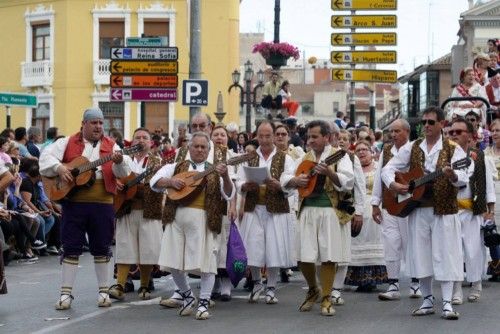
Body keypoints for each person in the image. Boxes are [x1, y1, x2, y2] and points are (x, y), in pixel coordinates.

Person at [39, 107, 131, 310]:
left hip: (103, 203)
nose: (98, 126)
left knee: (102, 247)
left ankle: (104, 292)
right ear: (84, 124)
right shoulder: (66, 142)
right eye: (94, 122)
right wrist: (60, 168)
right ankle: (65, 294)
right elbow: (45, 158)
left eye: (100, 123)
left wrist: (120, 161)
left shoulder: (112, 146)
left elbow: (123, 171)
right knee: (70, 247)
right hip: (74, 202)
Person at [382, 106, 468, 320]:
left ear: (441, 124)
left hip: (444, 209)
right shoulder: (412, 147)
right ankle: (427, 300)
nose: (426, 126)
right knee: (420, 255)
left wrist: (453, 175)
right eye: (423, 122)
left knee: (446, 254)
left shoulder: (453, 148)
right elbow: (388, 168)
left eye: (431, 122)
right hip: (418, 208)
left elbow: (466, 173)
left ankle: (447, 302)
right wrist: (393, 184)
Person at [150, 132, 234, 320]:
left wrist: (226, 176)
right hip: (176, 219)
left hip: (204, 221)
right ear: (189, 148)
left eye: (203, 147)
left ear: (209, 150)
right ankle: (187, 296)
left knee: (207, 264)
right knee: (173, 262)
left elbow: (228, 194)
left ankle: (203, 303)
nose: (199, 150)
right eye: (196, 146)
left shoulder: (214, 170)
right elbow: (154, 182)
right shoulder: (177, 166)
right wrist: (171, 181)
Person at [295, 120, 354, 316]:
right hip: (306, 210)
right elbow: (286, 179)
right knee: (304, 256)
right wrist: (296, 180)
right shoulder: (304, 157)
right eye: (309, 136)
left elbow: (348, 182)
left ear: (326, 137)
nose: (310, 140)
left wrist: (329, 172)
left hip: (329, 210)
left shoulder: (340, 156)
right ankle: (313, 289)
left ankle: (327, 296)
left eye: (314, 136)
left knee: (328, 255)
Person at [237, 120, 297, 305]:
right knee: (252, 247)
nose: (264, 140)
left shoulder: (285, 158)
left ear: (273, 136)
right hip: (254, 207)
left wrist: (280, 185)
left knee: (274, 247)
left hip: (276, 207)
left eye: (268, 136)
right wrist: (244, 185)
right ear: (256, 136)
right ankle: (256, 283)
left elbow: (291, 184)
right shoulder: (248, 157)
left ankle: (271, 287)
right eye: (261, 136)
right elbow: (238, 181)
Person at [108, 128, 164, 301]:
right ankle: (120, 285)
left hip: (150, 210)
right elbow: (117, 175)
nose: (141, 140)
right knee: (125, 248)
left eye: (144, 138)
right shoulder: (124, 160)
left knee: (148, 249)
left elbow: (161, 186)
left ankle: (145, 285)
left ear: (151, 143)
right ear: (131, 142)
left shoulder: (158, 161)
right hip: (126, 208)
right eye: (137, 137)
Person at [372, 119, 421, 300]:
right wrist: (375, 204)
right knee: (390, 243)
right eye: (391, 131)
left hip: (410, 205)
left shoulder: (416, 150)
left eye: (397, 131)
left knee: (411, 243)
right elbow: (379, 177)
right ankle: (393, 284)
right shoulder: (386, 151)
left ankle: (416, 283)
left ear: (407, 132)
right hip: (390, 203)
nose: (393, 135)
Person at [448, 118, 495, 304]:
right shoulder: (445, 155)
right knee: (454, 251)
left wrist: (490, 209)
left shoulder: (479, 156)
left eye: (459, 132)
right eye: (451, 132)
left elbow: (488, 184)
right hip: (450, 210)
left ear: (469, 135)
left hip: (472, 210)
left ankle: (476, 284)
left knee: (473, 250)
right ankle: (456, 289)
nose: (454, 135)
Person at [345, 141, 387, 292]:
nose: (361, 153)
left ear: (371, 152)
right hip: (357, 209)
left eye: (365, 150)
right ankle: (357, 277)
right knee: (356, 242)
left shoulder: (378, 168)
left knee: (376, 242)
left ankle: (373, 278)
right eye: (358, 151)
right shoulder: (351, 169)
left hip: (375, 209)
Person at [484, 118, 500, 281]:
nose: (495, 133)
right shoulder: (486, 152)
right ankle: (497, 267)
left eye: (498, 131)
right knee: (493, 230)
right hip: (492, 194)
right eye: (493, 130)